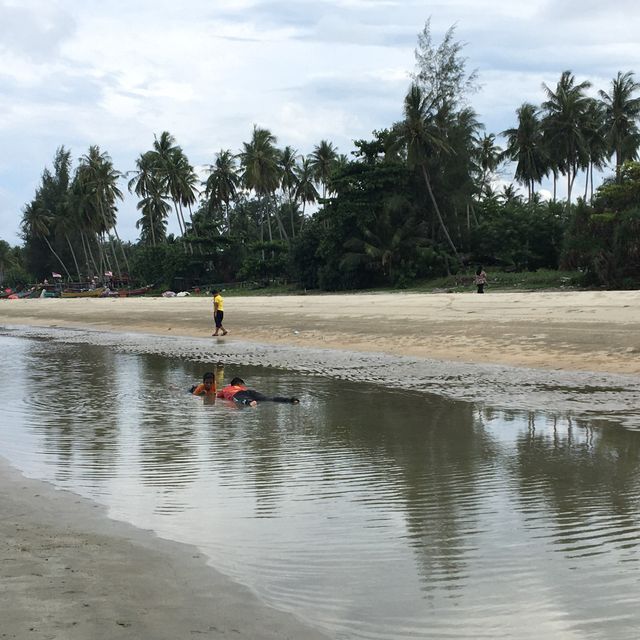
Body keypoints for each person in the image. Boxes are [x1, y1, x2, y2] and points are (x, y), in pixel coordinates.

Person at [217, 377, 299, 407]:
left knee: (242, 400)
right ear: (239, 384)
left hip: (237, 395)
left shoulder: (226, 389)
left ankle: (250, 403)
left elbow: (218, 396)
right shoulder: (243, 388)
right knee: (268, 398)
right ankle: (290, 400)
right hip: (250, 392)